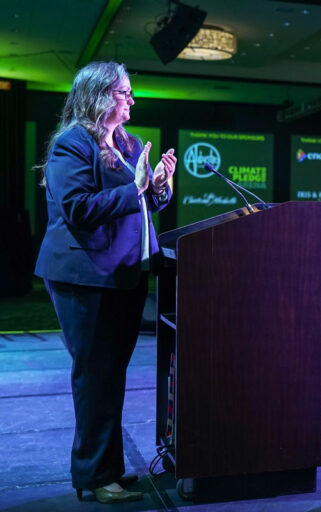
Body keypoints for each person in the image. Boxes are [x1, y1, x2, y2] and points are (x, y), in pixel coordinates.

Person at [34, 62, 176, 504]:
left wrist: (159, 187)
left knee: (111, 377)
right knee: (94, 377)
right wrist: (135, 189)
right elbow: (77, 208)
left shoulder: (129, 142)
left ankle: (108, 469)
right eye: (124, 92)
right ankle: (94, 477)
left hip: (124, 272)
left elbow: (136, 202)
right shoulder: (70, 144)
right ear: (98, 95)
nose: (132, 100)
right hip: (85, 277)